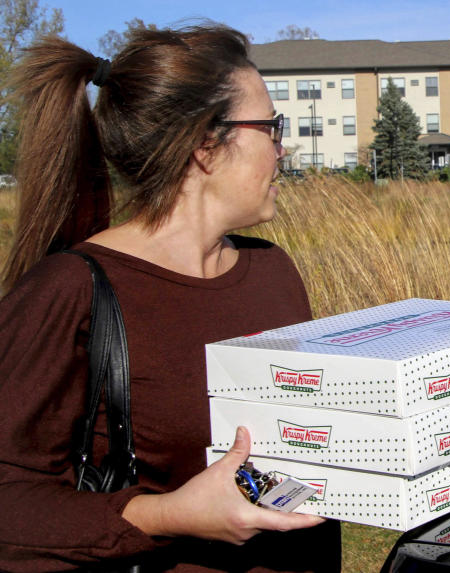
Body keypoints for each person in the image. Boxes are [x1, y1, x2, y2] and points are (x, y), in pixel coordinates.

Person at [0, 26, 340, 571]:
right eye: (271, 127)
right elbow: (11, 505)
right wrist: (166, 516)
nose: (283, 147)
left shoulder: (272, 269)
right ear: (205, 144)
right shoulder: (68, 290)